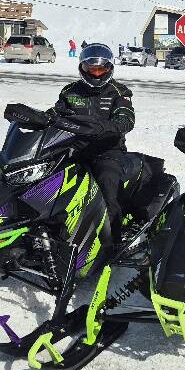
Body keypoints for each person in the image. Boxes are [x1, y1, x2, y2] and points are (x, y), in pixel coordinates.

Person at [47, 43, 135, 242]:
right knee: (46, 182)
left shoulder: (119, 92)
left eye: (100, 70)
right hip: (73, 149)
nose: (96, 74)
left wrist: (108, 127)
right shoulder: (70, 91)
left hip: (107, 151)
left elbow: (126, 119)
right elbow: (55, 113)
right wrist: (35, 118)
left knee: (108, 187)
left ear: (109, 69)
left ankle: (112, 242)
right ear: (83, 68)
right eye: (91, 69)